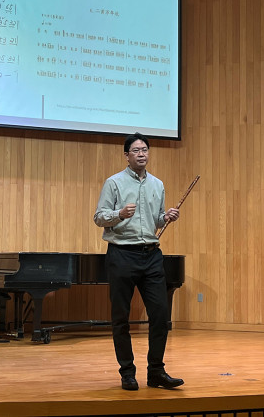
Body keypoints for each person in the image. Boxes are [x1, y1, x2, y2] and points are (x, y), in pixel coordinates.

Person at [93, 132, 184, 391]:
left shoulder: (158, 184)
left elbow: (155, 220)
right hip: (122, 254)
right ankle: (127, 372)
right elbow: (99, 218)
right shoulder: (114, 183)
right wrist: (119, 214)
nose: (142, 154)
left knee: (160, 315)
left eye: (145, 149)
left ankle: (156, 372)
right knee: (120, 317)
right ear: (127, 155)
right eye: (136, 150)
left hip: (152, 254)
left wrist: (166, 217)